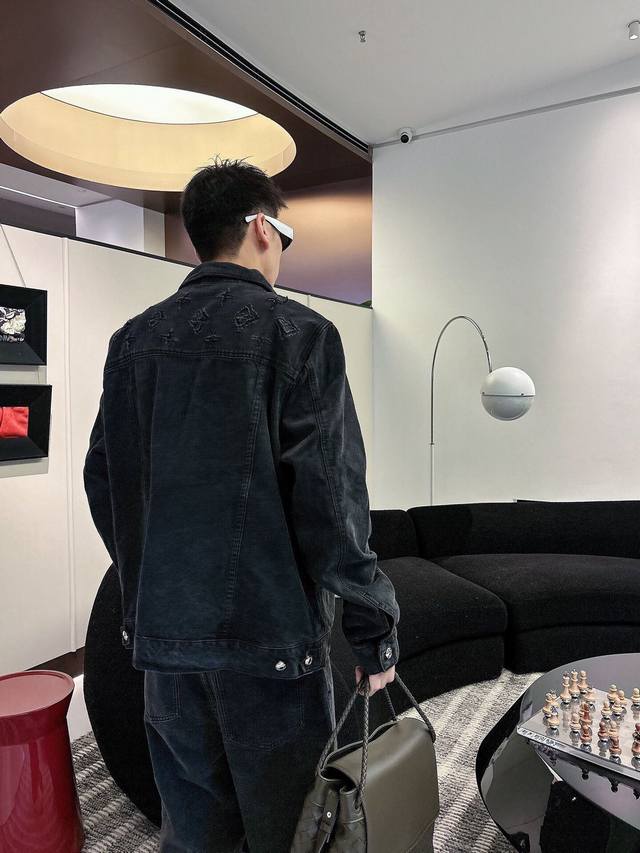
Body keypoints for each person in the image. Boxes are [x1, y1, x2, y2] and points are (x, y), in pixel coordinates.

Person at [83, 158, 400, 853]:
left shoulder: (132, 341)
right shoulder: (301, 334)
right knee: (291, 829)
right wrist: (373, 625)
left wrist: (151, 579)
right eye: (284, 233)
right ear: (261, 227)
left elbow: (102, 478)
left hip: (164, 641)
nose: (282, 249)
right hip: (271, 644)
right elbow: (332, 497)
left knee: (194, 828)